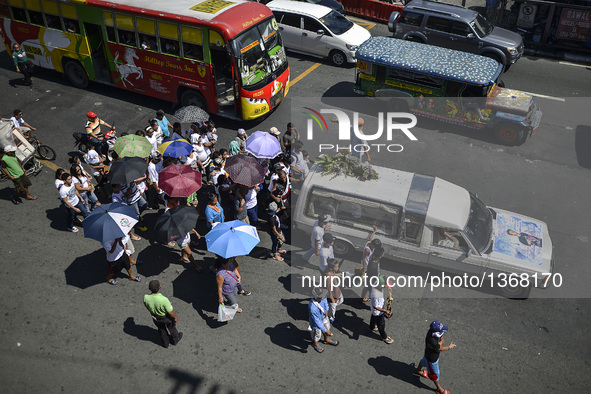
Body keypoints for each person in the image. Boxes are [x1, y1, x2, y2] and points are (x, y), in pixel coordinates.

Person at [414, 320, 456, 394]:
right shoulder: (433, 341)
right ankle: (439, 389)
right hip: (432, 360)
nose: (442, 334)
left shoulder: (431, 332)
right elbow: (440, 347)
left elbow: (441, 341)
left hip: (428, 355)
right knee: (435, 374)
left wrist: (440, 342)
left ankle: (418, 370)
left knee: (423, 361)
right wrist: (449, 347)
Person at [144, 280, 182, 348]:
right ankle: (176, 339)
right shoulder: (164, 300)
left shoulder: (146, 298)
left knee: (162, 330)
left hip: (156, 317)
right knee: (172, 327)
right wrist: (175, 317)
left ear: (149, 289)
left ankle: (166, 343)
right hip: (165, 317)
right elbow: (170, 312)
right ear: (160, 287)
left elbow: (147, 307)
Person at [308, 287, 338, 353]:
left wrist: (326, 309)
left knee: (327, 327)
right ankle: (315, 344)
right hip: (316, 323)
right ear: (316, 298)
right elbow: (316, 321)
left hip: (324, 317)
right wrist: (325, 330)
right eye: (322, 296)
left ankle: (326, 339)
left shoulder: (323, 297)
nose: (324, 296)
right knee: (316, 335)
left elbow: (325, 303)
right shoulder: (312, 308)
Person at [369, 276, 394, 344]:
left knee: (373, 317)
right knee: (381, 324)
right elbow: (376, 307)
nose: (385, 287)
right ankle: (384, 337)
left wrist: (389, 288)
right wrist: (385, 311)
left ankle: (372, 327)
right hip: (378, 311)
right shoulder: (376, 295)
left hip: (375, 311)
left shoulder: (376, 283)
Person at [361, 226, 381, 302]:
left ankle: (369, 293)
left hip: (368, 264)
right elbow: (363, 258)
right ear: (373, 245)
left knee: (370, 282)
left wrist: (374, 231)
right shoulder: (367, 250)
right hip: (366, 265)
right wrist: (364, 268)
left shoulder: (370, 243)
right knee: (367, 283)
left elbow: (370, 238)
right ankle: (363, 297)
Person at [325, 259, 343, 324]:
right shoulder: (329, 279)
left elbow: (332, 274)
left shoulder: (330, 271)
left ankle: (329, 306)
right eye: (337, 267)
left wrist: (336, 274)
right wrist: (332, 299)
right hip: (333, 295)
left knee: (341, 300)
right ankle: (331, 317)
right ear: (331, 268)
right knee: (332, 308)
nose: (338, 268)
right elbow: (329, 291)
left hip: (337, 291)